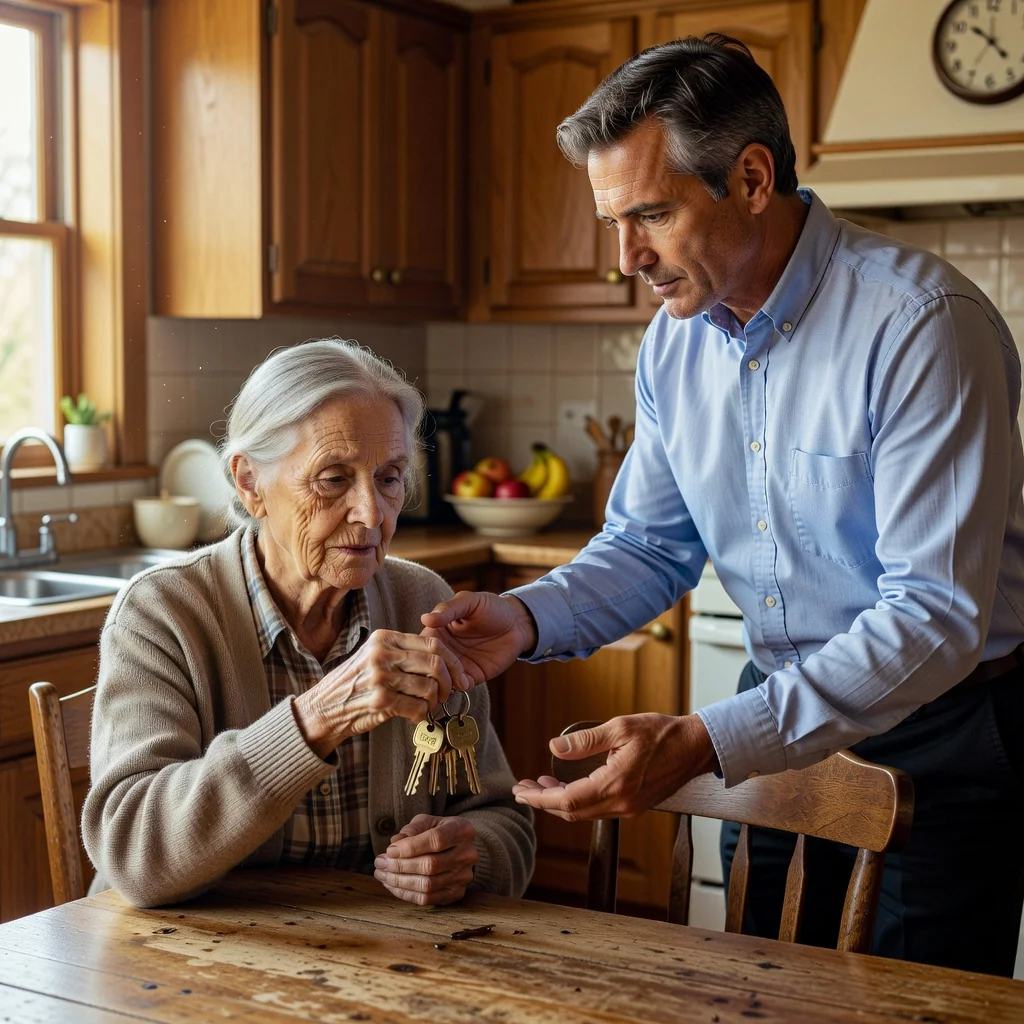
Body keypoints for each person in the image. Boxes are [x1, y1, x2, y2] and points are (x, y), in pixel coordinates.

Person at [420, 34, 1024, 975]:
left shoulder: (921, 327)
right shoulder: (676, 341)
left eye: (651, 214)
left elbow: (935, 618)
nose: (627, 258)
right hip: (778, 732)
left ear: (750, 178)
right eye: (613, 222)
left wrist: (706, 738)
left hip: (942, 739)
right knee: (758, 993)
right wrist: (523, 619)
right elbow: (650, 546)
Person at [83, 339, 534, 909]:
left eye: (389, 478)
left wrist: (469, 858)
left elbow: (503, 822)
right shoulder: (162, 614)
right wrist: (318, 716)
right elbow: (131, 854)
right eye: (333, 480)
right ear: (249, 483)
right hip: (184, 966)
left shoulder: (423, 602)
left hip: (383, 959)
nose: (372, 514)